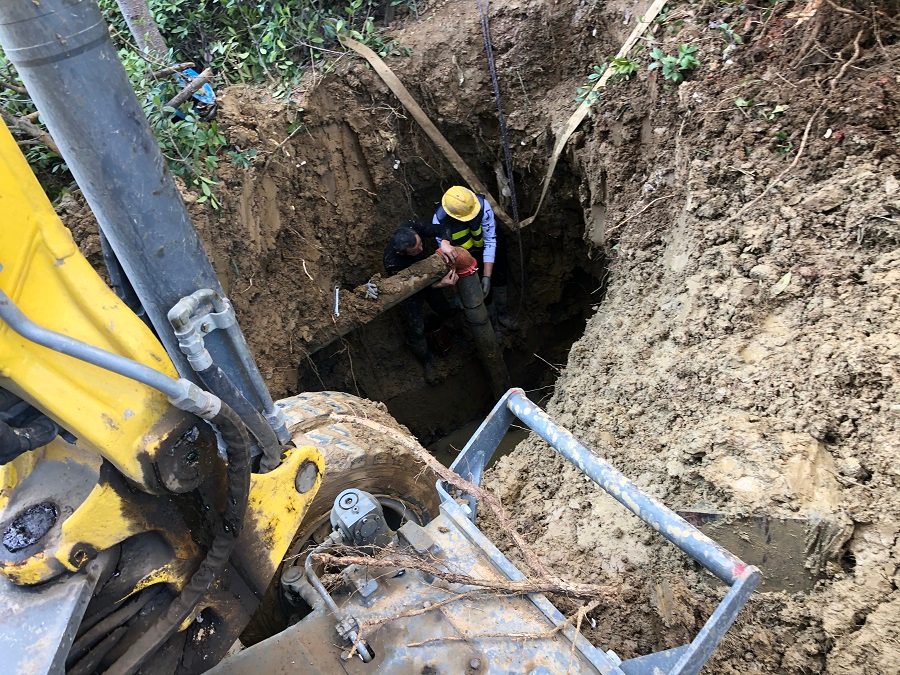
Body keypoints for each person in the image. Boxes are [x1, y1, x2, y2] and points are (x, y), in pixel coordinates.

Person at [383, 221, 459, 383]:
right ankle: (426, 360)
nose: (421, 249)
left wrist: (445, 243)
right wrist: (440, 284)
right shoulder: (393, 262)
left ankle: (456, 334)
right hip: (409, 291)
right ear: (403, 253)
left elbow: (443, 228)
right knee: (417, 328)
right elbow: (409, 287)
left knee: (445, 310)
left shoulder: (411, 228)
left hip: (429, 277)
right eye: (416, 250)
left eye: (421, 243)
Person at [432, 186, 512, 327]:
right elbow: (449, 259)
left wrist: (487, 275)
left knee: (499, 276)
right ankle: (493, 324)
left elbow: (490, 240)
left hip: (487, 244)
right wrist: (456, 291)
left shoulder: (482, 207)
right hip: (467, 258)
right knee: (480, 289)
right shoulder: (439, 221)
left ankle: (503, 313)